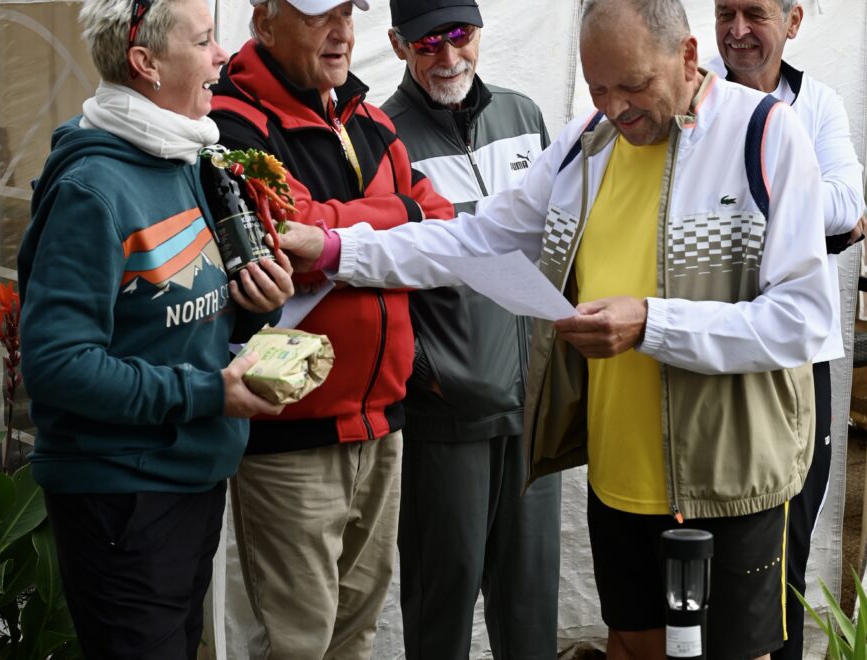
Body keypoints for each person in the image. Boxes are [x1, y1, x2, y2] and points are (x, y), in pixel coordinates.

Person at [278, 0, 836, 656]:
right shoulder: (585, 145)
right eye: (598, 88)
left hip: (732, 482)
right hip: (620, 479)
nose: (617, 107)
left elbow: (804, 320)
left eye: (634, 85)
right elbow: (474, 240)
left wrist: (652, 324)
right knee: (631, 647)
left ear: (688, 56)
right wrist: (337, 251)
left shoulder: (765, 134)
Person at [16, 0, 296, 657]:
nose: (223, 55)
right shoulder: (92, 189)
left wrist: (258, 303)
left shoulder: (184, 153)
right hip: (122, 495)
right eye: (204, 41)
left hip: (190, 473)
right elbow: (56, 366)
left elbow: (183, 313)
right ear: (145, 63)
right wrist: (207, 393)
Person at [208, 1, 454, 658]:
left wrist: (338, 234)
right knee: (294, 642)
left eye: (348, 12)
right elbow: (283, 234)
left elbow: (443, 224)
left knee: (356, 635)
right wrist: (400, 213)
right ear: (263, 24)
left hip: (382, 420)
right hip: (289, 432)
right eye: (320, 16)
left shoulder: (369, 118)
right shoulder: (229, 124)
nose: (342, 31)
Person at [382, 0, 561, 657]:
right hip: (444, 420)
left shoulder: (524, 116)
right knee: (441, 611)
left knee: (530, 609)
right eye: (429, 44)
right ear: (399, 45)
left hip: (532, 416)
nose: (449, 57)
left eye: (460, 35)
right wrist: (426, 376)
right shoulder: (383, 137)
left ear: (480, 31)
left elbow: (556, 246)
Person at [708, 2, 865, 658]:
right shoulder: (694, 96)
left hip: (800, 363)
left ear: (794, 21)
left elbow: (850, 206)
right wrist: (810, 226)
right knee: (707, 553)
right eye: (724, 12)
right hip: (710, 354)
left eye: (754, 12)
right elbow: (833, 218)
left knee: (787, 553)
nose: (737, 29)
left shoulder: (819, 102)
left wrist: (735, 201)